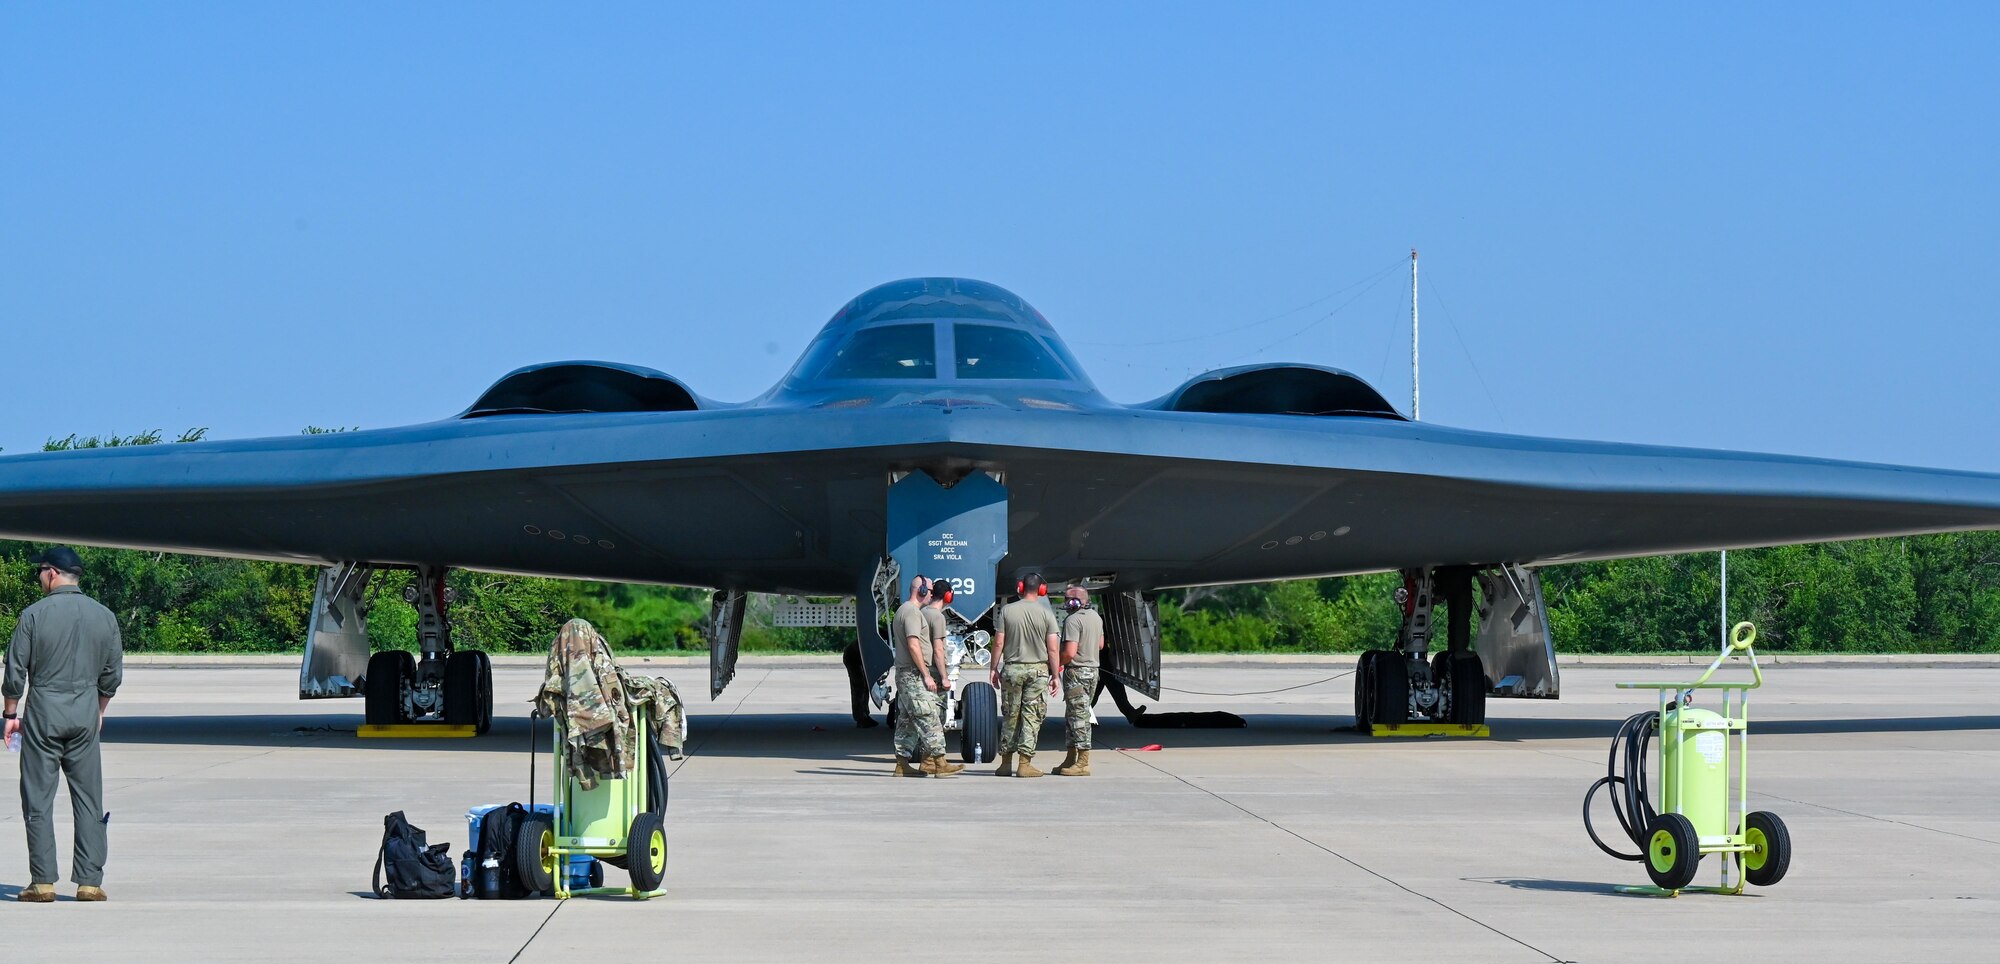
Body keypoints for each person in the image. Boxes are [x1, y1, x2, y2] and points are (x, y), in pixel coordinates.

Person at [3, 546, 123, 903]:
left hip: (43, 711)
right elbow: (112, 676)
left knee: (38, 797)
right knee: (88, 797)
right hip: (85, 710)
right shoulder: (105, 616)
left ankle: (42, 882)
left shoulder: (33, 615)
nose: (39, 578)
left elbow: (15, 672)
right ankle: (89, 881)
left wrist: (10, 715)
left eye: (40, 571)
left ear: (52, 573)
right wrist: (98, 710)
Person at [989, 572, 1060, 777]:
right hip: (1038, 671)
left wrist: (994, 668)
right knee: (1032, 717)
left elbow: (999, 642)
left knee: (1010, 715)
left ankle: (1005, 763)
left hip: (1012, 669)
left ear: (1020, 588)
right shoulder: (1047, 614)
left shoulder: (1007, 611)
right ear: (1041, 590)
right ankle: (1024, 763)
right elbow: (1053, 649)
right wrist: (1055, 675)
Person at [890, 576, 962, 777]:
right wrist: (926, 674)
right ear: (921, 590)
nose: (931, 593)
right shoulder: (912, 613)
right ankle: (940, 762)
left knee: (908, 721)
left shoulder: (907, 610)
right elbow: (913, 644)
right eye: (929, 589)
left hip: (907, 674)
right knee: (928, 716)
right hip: (912, 675)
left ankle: (901, 764)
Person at [1052, 585, 1103, 776]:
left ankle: (1082, 762)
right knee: (1074, 715)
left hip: (1077, 672)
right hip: (1092, 672)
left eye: (1067, 599)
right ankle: (1071, 757)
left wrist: (1056, 665)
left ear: (1075, 601)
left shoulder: (1073, 620)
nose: (1065, 602)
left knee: (1078, 718)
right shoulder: (1096, 618)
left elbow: (1070, 652)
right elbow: (1100, 644)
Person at [840, 640, 878, 728]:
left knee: (864, 686)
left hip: (856, 657)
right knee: (859, 688)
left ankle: (864, 714)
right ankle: (860, 718)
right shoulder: (875, 641)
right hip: (853, 659)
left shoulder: (875, 638)